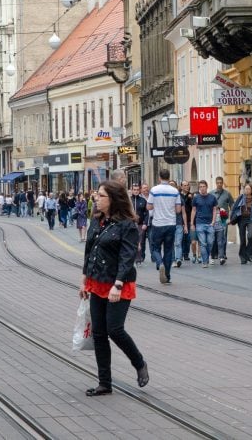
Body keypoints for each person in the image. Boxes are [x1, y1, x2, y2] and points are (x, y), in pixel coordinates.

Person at [80, 179, 148, 396]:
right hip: (97, 281)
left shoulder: (127, 225)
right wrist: (84, 280)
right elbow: (89, 251)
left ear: (113, 199)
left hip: (119, 283)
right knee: (99, 333)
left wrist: (117, 285)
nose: (96, 199)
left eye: (101, 196)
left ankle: (138, 362)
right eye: (96, 195)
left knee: (114, 329)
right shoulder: (97, 221)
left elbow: (128, 257)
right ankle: (104, 382)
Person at [146, 169, 181, 284]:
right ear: (169, 177)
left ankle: (160, 263)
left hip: (158, 223)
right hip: (171, 223)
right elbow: (178, 209)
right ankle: (167, 275)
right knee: (168, 250)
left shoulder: (154, 190)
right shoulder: (175, 191)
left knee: (155, 248)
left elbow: (149, 207)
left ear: (159, 177)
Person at [191, 180, 218, 267]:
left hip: (210, 223)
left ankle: (206, 258)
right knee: (203, 243)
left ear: (207, 187)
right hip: (200, 223)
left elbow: (214, 210)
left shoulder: (212, 198)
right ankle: (205, 261)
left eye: (204, 186)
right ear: (199, 188)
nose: (202, 188)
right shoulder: (196, 198)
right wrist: (192, 223)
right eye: (200, 187)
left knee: (210, 242)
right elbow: (194, 210)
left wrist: (213, 221)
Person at [232, 183, 252, 264]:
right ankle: (242, 257)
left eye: (248, 189)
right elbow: (234, 207)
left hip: (251, 219)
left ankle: (249, 254)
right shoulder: (241, 197)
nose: (246, 190)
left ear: (251, 190)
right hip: (241, 219)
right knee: (242, 239)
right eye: (245, 189)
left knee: (251, 236)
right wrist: (232, 217)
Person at [211, 176, 234, 264]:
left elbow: (232, 205)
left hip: (224, 218)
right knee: (213, 237)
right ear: (216, 183)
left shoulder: (227, 193)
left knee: (223, 237)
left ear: (223, 183)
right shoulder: (211, 193)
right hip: (214, 218)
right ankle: (214, 253)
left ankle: (222, 254)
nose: (219, 184)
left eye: (221, 182)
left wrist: (230, 217)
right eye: (218, 183)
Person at [131, 183, 150, 264]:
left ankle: (139, 258)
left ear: (139, 190)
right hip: (130, 224)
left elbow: (147, 213)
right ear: (132, 190)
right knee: (131, 241)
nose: (136, 191)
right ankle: (132, 257)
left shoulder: (143, 201)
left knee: (140, 241)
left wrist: (145, 223)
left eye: (137, 190)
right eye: (134, 190)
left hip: (140, 224)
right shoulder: (128, 200)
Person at [179, 181, 194, 264]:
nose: (186, 187)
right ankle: (180, 254)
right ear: (181, 187)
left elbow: (193, 207)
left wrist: (190, 198)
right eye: (184, 185)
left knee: (188, 238)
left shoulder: (191, 196)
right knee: (180, 238)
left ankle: (186, 254)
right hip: (180, 219)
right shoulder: (178, 195)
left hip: (188, 219)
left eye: (187, 185)